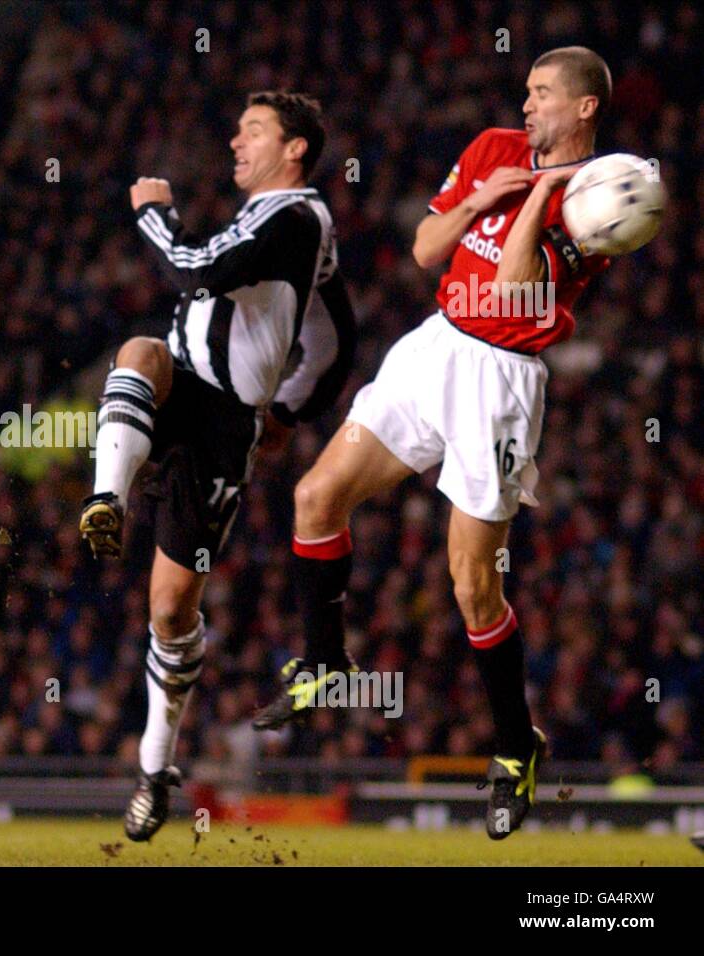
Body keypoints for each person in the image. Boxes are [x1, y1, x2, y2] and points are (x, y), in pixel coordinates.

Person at [253, 48, 616, 840]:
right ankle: (325, 661)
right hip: (436, 345)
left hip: (503, 380)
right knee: (315, 497)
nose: (526, 105)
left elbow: (511, 285)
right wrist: (488, 193)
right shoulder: (492, 148)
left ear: (584, 109)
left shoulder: (603, 197)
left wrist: (536, 199)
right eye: (525, 91)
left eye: (543, 94)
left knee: (471, 584)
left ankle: (517, 747)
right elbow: (426, 250)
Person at [80, 91, 356, 841]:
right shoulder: (278, 221)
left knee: (169, 611)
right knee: (139, 352)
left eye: (254, 130)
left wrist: (151, 213)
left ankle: (154, 765)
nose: (236, 141)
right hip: (180, 380)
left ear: (295, 150)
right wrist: (295, 406)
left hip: (223, 426)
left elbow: (198, 266)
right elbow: (334, 339)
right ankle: (105, 499)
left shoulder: (297, 220)